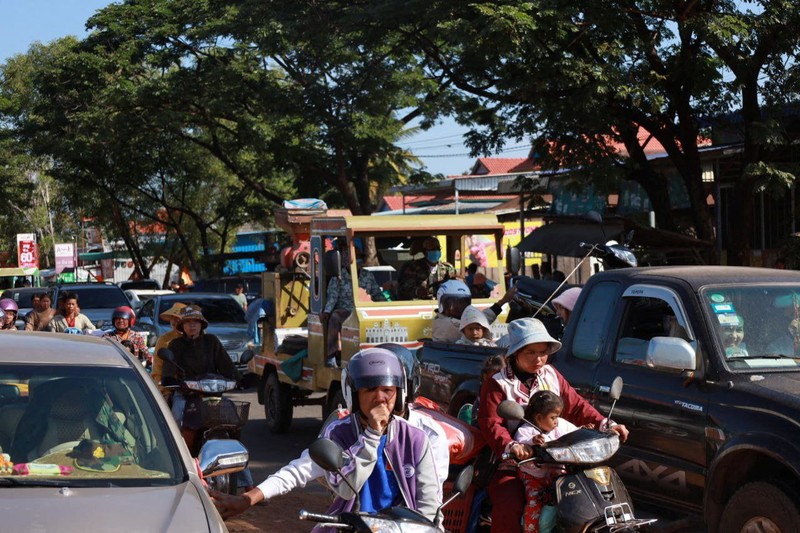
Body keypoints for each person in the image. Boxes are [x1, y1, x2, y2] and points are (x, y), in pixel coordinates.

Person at [211, 347, 442, 525]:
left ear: (400, 394)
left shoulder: (416, 438)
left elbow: (430, 503)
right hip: (351, 525)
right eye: (370, 390)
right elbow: (319, 478)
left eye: (388, 390)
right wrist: (248, 498)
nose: (380, 398)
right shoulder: (340, 432)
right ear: (353, 395)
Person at [478, 317, 629, 533]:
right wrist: (513, 447)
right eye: (530, 352)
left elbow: (576, 407)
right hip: (516, 464)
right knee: (509, 505)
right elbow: (491, 423)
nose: (539, 359)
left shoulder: (551, 374)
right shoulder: (497, 383)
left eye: (543, 352)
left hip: (559, 459)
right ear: (515, 354)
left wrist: (607, 424)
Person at [514, 390, 580, 533]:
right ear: (538, 418)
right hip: (534, 477)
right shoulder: (527, 431)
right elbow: (520, 441)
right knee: (534, 503)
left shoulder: (560, 425)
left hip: (557, 475)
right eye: (553, 417)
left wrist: (583, 431)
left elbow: (575, 433)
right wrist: (531, 442)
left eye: (557, 417)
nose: (556, 421)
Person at [320, 244, 386, 367]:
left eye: (358, 257)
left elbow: (377, 294)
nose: (356, 260)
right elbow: (332, 297)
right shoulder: (338, 278)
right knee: (335, 317)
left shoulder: (367, 275)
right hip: (345, 311)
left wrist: (386, 307)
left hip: (364, 311)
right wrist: (327, 311)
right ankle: (332, 355)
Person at [432, 279, 516, 343]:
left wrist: (503, 301)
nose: (460, 307)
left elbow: (479, 319)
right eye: (455, 304)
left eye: (463, 303)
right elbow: (477, 321)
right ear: (442, 303)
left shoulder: (453, 320)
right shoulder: (445, 324)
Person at [151, 302, 187, 386]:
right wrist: (163, 390)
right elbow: (157, 369)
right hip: (172, 386)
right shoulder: (164, 339)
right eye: (173, 318)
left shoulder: (199, 339)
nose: (174, 322)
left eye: (178, 318)